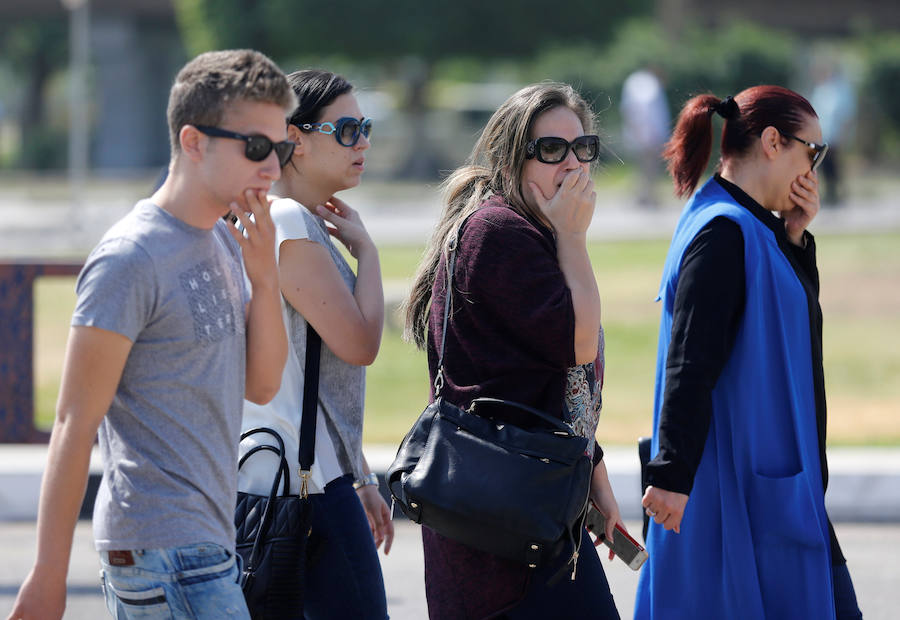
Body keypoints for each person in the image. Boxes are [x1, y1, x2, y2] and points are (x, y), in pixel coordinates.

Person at [7, 49, 294, 620]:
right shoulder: (131, 255)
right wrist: (46, 575)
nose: (273, 168)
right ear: (193, 142)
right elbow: (73, 421)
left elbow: (261, 387)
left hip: (205, 543)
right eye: (257, 147)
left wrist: (265, 280)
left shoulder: (223, 241)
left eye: (282, 148)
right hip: (162, 549)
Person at [634, 86, 862, 619]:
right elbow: (689, 363)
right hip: (733, 489)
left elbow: (782, 327)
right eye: (813, 151)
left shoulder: (750, 225)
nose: (815, 168)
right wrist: (669, 475)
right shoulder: (724, 233)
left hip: (771, 484)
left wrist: (796, 241)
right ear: (773, 141)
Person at [403, 82, 626, 620]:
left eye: (583, 148)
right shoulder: (498, 232)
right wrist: (574, 239)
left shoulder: (523, 229)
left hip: (531, 508)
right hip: (504, 523)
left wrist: (593, 475)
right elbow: (575, 347)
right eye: (551, 150)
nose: (571, 164)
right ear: (511, 159)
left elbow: (554, 386)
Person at [236, 69, 392, 620]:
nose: (363, 143)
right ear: (295, 140)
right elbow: (360, 344)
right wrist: (368, 254)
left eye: (365, 127)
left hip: (287, 474)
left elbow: (314, 376)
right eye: (347, 129)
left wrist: (364, 475)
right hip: (307, 489)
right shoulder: (290, 223)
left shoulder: (269, 218)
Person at [620, 67, 671, 207]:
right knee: (650, 168)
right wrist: (649, 135)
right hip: (649, 136)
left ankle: (643, 196)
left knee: (644, 168)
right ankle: (647, 197)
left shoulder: (638, 82)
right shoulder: (650, 87)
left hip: (641, 135)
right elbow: (646, 112)